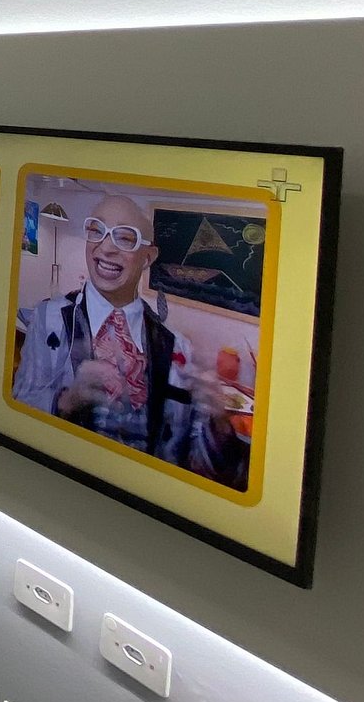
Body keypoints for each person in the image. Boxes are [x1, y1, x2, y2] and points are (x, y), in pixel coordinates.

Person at [12, 193, 247, 489]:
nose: (106, 247)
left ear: (148, 258)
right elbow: (15, 414)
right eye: (96, 230)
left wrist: (218, 421)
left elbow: (202, 469)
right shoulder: (49, 318)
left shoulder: (178, 349)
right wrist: (67, 401)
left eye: (125, 238)